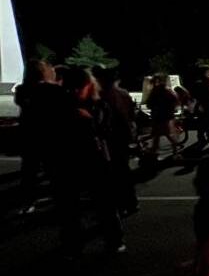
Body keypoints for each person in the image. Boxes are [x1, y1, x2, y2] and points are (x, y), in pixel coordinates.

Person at [52, 67, 126, 256]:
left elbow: (107, 131)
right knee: (74, 205)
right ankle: (75, 241)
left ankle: (112, 239)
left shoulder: (98, 105)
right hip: (74, 160)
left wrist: (90, 123)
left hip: (92, 158)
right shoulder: (64, 104)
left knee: (102, 202)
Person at [14, 60, 65, 214]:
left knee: (29, 171)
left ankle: (28, 202)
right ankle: (61, 201)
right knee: (54, 170)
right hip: (49, 135)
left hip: (30, 135)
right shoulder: (53, 90)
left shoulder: (22, 90)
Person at [94, 67, 138, 216]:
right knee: (124, 170)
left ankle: (122, 203)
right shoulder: (124, 94)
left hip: (111, 138)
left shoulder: (102, 96)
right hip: (124, 136)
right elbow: (132, 116)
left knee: (114, 172)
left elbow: (101, 120)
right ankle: (131, 201)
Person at [144, 74, 180, 159]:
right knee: (160, 134)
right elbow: (175, 101)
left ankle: (155, 151)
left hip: (160, 116)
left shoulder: (158, 90)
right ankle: (155, 150)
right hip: (165, 115)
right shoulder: (167, 90)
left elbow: (149, 102)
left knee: (162, 134)